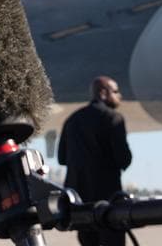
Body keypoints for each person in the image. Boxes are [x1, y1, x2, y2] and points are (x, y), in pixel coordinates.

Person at [57, 76, 133, 246]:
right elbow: (124, 160)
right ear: (103, 93)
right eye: (115, 91)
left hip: (80, 204)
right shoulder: (113, 118)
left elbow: (62, 158)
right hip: (108, 202)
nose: (119, 96)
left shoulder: (72, 120)